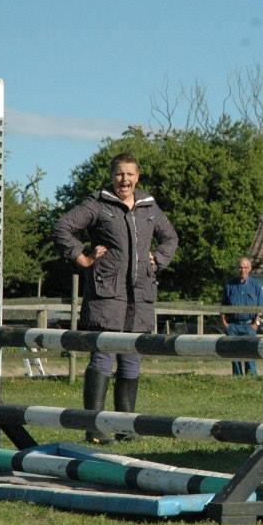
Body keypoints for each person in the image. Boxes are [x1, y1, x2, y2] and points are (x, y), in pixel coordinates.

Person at [53, 152, 178, 443]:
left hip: (140, 295)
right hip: (107, 294)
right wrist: (81, 257)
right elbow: (62, 227)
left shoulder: (149, 207)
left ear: (138, 177)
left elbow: (170, 238)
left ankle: (126, 427)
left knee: (132, 358)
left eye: (130, 174)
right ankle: (94, 427)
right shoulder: (97, 205)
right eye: (120, 174)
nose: (125, 179)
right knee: (103, 356)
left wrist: (158, 259)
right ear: (112, 176)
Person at [220, 256, 263, 376]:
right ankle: (237, 377)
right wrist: (225, 324)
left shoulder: (256, 286)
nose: (242, 270)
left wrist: (256, 325)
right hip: (233, 326)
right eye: (240, 267)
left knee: (250, 353)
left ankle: (251, 377)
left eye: (245, 267)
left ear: (249, 269)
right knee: (234, 355)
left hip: (249, 325)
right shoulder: (229, 286)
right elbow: (223, 307)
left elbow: (261, 310)